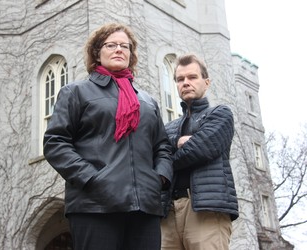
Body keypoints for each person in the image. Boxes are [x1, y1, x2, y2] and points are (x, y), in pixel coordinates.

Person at [43, 23, 173, 250]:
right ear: (97, 52)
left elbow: (162, 146)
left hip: (145, 208)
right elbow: (55, 143)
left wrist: (159, 178)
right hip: (94, 205)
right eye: (111, 45)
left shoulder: (147, 101)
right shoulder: (76, 92)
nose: (119, 50)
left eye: (125, 46)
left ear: (131, 54)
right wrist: (93, 179)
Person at [161, 53, 239, 250]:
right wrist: (177, 142)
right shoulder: (169, 128)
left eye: (192, 77)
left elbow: (199, 149)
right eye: (180, 79)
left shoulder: (220, 114)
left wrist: (168, 157)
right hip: (168, 212)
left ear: (206, 82)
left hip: (206, 209)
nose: (186, 83)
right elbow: (154, 157)